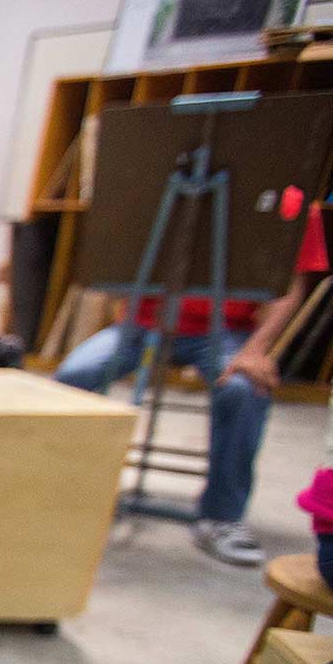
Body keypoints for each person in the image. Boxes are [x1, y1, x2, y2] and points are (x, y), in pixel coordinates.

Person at [53, 207, 328, 567]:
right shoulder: (158, 175)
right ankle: (60, 493)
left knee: (245, 390)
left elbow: (290, 286)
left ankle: (222, 517)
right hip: (144, 323)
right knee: (74, 375)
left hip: (225, 331)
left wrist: (256, 349)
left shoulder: (294, 199)